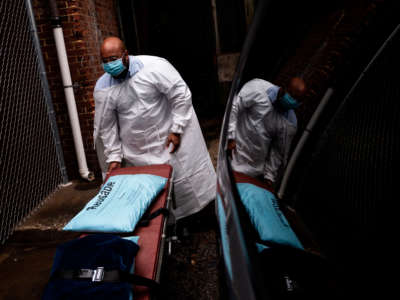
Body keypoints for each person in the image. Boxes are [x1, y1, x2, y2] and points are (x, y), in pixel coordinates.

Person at [93, 37, 216, 220]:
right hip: (137, 148)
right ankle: (166, 225)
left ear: (125, 55)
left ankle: (199, 219)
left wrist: (177, 129)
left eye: (113, 59)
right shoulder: (103, 87)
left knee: (185, 182)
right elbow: (107, 126)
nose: (109, 65)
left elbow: (180, 95)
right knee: (152, 192)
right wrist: (114, 157)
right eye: (105, 61)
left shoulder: (154, 67)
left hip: (167, 135)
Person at [227, 77, 306, 189]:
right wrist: (230, 137)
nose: (292, 100)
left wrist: (269, 177)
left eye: (297, 100)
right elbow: (234, 106)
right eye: (291, 95)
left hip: (252, 169)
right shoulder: (257, 88)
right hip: (231, 151)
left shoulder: (290, 123)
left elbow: (278, 152)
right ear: (283, 87)